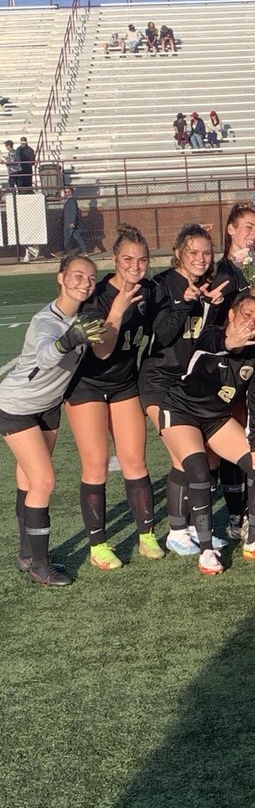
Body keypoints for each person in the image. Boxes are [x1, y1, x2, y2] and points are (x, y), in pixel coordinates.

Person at [0, 254, 106, 586]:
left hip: (48, 407)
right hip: (17, 405)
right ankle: (40, 564)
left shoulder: (85, 315)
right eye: (77, 276)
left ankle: (26, 553)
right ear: (60, 278)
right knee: (44, 480)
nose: (85, 282)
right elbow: (47, 357)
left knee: (29, 479)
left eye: (90, 278)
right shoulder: (45, 320)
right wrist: (69, 340)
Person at [64, 225, 164, 569]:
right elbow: (103, 350)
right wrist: (118, 309)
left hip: (125, 384)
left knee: (135, 460)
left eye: (142, 260)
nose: (135, 266)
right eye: (127, 259)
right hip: (87, 385)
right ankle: (98, 545)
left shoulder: (149, 291)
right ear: (114, 260)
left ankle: (147, 535)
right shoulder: (97, 296)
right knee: (96, 466)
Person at [159, 294, 255, 574]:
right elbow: (208, 349)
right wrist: (228, 345)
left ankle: (254, 540)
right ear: (232, 315)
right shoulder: (212, 334)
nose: (252, 322)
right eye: (247, 314)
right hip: (181, 412)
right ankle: (206, 551)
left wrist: (254, 443)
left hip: (215, 418)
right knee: (200, 471)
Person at [139, 225, 228, 555]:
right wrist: (183, 304)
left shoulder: (208, 285)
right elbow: (161, 335)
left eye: (206, 253)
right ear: (178, 252)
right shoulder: (163, 285)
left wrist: (213, 307)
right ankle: (177, 531)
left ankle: (191, 525)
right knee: (185, 458)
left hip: (191, 383)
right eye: (193, 252)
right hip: (159, 381)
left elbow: (206, 339)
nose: (201, 259)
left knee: (205, 456)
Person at [61, 186, 87, 254]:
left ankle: (65, 252)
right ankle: (84, 250)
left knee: (67, 239)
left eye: (66, 192)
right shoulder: (68, 201)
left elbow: (73, 212)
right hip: (68, 223)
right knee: (77, 237)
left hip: (70, 224)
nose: (65, 193)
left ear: (70, 192)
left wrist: (72, 222)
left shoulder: (72, 201)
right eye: (65, 192)